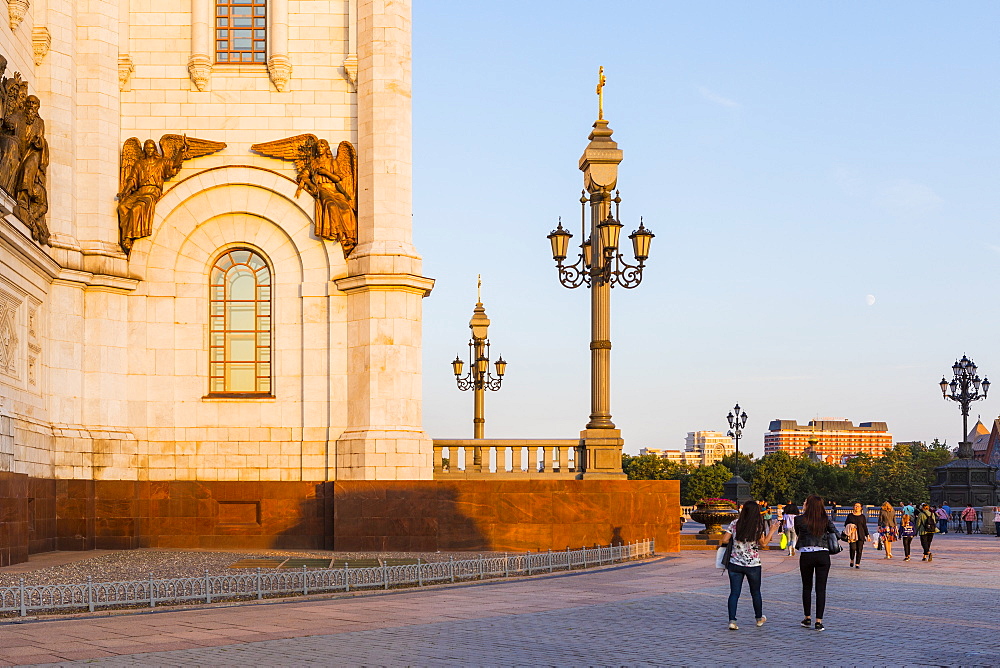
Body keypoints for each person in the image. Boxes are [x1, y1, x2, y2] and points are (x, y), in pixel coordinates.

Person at [720, 501, 780, 630]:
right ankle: (759, 618)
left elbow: (724, 540)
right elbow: (763, 544)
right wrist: (772, 531)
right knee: (755, 592)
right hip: (753, 564)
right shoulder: (757, 525)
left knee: (734, 593)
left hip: (735, 563)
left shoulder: (735, 523)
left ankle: (732, 620)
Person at [794, 494, 838, 631]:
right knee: (821, 589)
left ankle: (807, 618)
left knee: (807, 587)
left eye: (805, 502)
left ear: (809, 505)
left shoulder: (799, 519)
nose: (803, 503)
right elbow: (836, 534)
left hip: (807, 555)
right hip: (823, 555)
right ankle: (819, 621)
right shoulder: (825, 520)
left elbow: (799, 534)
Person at [844, 503, 871, 568]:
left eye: (858, 506)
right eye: (855, 506)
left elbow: (864, 526)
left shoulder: (862, 516)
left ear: (861, 508)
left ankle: (857, 563)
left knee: (859, 549)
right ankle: (852, 559)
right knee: (853, 548)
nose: (856, 507)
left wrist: (867, 535)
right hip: (852, 535)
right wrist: (851, 526)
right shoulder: (850, 516)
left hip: (861, 534)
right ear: (853, 507)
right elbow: (845, 524)